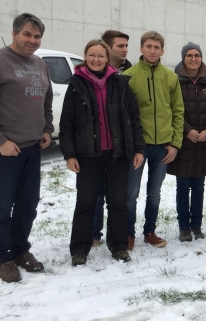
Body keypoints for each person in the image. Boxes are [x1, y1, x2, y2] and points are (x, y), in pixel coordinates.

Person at [0, 13, 53, 282]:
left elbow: (46, 100)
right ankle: (1, 257)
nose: (32, 40)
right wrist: (0, 141)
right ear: (15, 33)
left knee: (28, 205)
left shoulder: (39, 64)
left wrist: (46, 128)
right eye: (27, 34)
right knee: (4, 206)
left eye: (37, 36)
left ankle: (20, 250)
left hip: (32, 148)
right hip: (8, 149)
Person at [61, 39, 145, 265]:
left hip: (118, 154)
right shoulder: (76, 85)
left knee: (118, 202)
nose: (96, 59)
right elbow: (66, 123)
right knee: (86, 201)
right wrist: (70, 154)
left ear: (107, 59)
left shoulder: (119, 83)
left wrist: (138, 149)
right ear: (85, 57)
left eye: (100, 55)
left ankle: (118, 246)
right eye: (91, 55)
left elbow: (133, 119)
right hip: (89, 155)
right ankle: (80, 248)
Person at [122, 31, 184, 250]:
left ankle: (149, 231)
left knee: (154, 193)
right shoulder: (128, 76)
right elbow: (125, 118)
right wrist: (133, 146)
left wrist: (175, 143)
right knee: (131, 194)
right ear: (141, 48)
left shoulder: (170, 77)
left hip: (163, 147)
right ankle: (128, 234)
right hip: (138, 148)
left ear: (162, 51)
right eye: (148, 46)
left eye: (157, 47)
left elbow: (178, 111)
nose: (152, 50)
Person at [168, 42, 206, 242]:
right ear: (183, 58)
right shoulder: (174, 80)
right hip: (183, 142)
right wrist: (187, 130)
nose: (193, 59)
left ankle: (197, 226)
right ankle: (184, 227)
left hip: (204, 142)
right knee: (183, 185)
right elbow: (171, 109)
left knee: (199, 186)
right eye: (189, 55)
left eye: (197, 55)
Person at [92, 29, 134, 247]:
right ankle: (94, 234)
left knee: (119, 196)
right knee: (97, 193)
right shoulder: (96, 71)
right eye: (120, 46)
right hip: (98, 144)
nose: (125, 49)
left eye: (126, 45)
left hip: (121, 145)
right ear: (107, 48)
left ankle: (119, 236)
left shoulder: (130, 72)